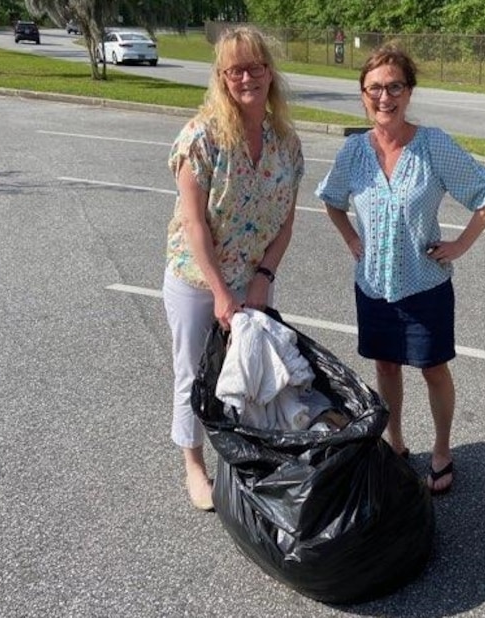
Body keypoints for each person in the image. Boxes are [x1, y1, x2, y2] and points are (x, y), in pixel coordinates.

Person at [315, 44, 485, 495]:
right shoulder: (354, 152)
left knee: (434, 369)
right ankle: (395, 442)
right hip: (373, 285)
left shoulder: (433, 145)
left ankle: (441, 449)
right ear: (363, 95)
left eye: (394, 86)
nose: (385, 97)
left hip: (424, 285)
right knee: (385, 366)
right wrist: (352, 240)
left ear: (409, 91)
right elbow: (331, 199)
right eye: (375, 88)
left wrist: (461, 244)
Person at [162, 26, 304, 510]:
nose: (247, 77)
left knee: (249, 371)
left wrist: (263, 278)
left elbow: (286, 221)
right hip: (199, 280)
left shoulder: (284, 141)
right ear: (222, 78)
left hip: (253, 280)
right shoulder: (201, 137)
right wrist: (222, 292)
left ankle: (245, 460)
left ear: (270, 72)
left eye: (256, 66)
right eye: (235, 69)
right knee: (195, 373)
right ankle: (194, 466)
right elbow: (194, 223)